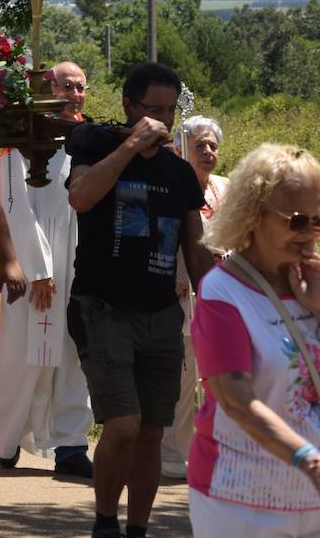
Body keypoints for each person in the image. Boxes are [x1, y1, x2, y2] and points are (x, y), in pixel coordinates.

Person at [65, 61, 214, 538]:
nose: (163, 121)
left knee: (152, 430)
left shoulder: (180, 175)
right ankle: (105, 522)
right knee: (124, 425)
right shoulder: (95, 144)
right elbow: (82, 198)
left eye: (171, 111)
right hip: (103, 308)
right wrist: (131, 145)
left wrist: (223, 303)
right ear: (129, 106)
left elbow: (194, 250)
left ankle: (137, 528)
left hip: (162, 316)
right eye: (153, 109)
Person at [185, 143, 320, 537]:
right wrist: (308, 459)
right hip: (241, 504)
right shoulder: (222, 292)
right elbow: (236, 399)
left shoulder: (313, 283)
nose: (310, 233)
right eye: (297, 221)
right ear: (254, 216)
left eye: (318, 220)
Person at [0, 61, 96, 476]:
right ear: (46, 89)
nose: (74, 94)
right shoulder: (19, 140)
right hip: (33, 260)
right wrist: (39, 269)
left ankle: (71, 443)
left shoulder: (88, 141)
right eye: (66, 86)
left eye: (80, 87)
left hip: (78, 258)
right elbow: (13, 208)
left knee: (74, 351)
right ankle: (5, 434)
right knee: (25, 352)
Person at [161, 115, 230, 480]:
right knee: (184, 375)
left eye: (212, 145)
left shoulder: (226, 188)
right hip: (182, 293)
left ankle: (217, 449)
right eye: (199, 145)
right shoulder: (170, 186)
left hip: (223, 298)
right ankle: (172, 451)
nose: (207, 151)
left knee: (219, 376)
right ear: (180, 148)